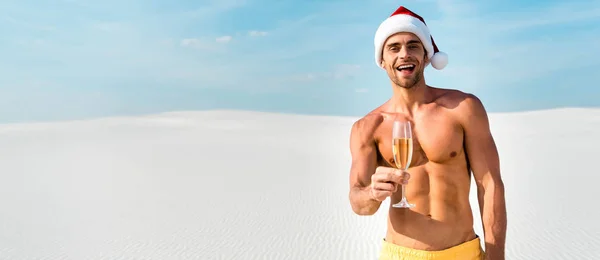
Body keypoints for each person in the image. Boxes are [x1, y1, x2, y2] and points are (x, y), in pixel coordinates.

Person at [348, 5, 507, 260]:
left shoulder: (463, 108)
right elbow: (359, 202)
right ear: (382, 60)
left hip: (462, 253)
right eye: (394, 47)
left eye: (413, 45)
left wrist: (496, 254)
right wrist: (371, 193)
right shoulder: (368, 127)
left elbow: (489, 184)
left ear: (426, 55)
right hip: (399, 254)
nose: (404, 54)